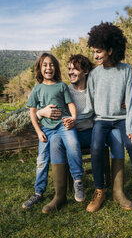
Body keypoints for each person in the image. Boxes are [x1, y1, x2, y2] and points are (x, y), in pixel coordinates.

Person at [38, 54, 132, 214]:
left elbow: (111, 100)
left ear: (86, 71)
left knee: (116, 135)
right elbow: (51, 112)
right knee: (55, 140)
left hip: (96, 132)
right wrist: (41, 112)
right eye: (69, 69)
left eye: (75, 69)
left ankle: (118, 192)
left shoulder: (95, 87)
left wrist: (121, 102)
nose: (71, 72)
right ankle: (59, 196)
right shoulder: (64, 90)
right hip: (74, 135)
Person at [84, 22, 132, 216]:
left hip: (122, 119)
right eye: (93, 52)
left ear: (110, 50)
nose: (95, 56)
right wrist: (76, 119)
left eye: (98, 52)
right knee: (97, 146)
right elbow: (89, 105)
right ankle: (99, 191)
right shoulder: (93, 75)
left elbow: (130, 102)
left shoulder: (126, 70)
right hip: (101, 120)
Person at [22, 53, 85, 211]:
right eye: (45, 65)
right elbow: (32, 112)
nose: (48, 67)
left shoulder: (61, 86)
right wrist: (38, 131)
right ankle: (38, 192)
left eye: (51, 65)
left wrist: (74, 117)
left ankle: (77, 180)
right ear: (40, 68)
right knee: (41, 160)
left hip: (64, 125)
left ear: (55, 68)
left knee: (73, 143)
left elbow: (70, 104)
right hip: (46, 129)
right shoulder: (37, 89)